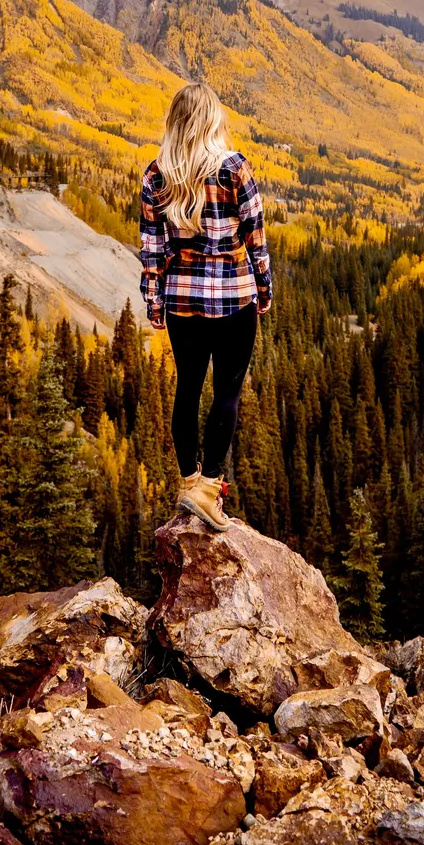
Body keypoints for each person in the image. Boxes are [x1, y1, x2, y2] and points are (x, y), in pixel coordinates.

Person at [140, 82, 272, 531]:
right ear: (213, 120)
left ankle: (188, 482)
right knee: (227, 393)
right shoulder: (235, 169)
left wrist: (154, 301)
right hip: (234, 298)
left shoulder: (157, 175)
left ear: (175, 122)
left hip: (181, 301)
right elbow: (256, 236)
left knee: (188, 390)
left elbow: (152, 249)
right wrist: (265, 288)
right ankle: (210, 490)